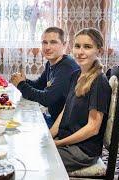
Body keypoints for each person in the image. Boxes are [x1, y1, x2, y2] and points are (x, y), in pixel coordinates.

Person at [50, 28, 111, 172]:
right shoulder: (75, 75)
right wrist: (49, 135)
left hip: (83, 151)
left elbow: (93, 128)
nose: (80, 51)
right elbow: (65, 110)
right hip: (68, 142)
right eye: (77, 46)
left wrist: (58, 143)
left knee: (38, 159)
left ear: (99, 51)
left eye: (87, 47)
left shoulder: (99, 82)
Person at [11, 27, 79, 128]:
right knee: (14, 120)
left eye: (53, 42)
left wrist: (21, 84)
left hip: (63, 126)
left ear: (64, 45)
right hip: (52, 118)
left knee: (18, 127)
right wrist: (24, 80)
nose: (47, 47)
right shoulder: (51, 63)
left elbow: (47, 99)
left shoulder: (67, 67)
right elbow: (39, 85)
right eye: (44, 42)